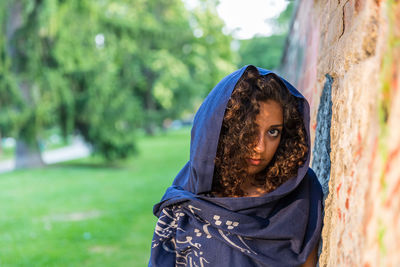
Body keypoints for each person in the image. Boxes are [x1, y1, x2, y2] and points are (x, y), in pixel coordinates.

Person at [149, 65, 323, 267]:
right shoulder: (186, 203)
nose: (260, 147)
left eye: (273, 132)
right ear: (226, 131)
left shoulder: (299, 193)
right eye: (250, 131)